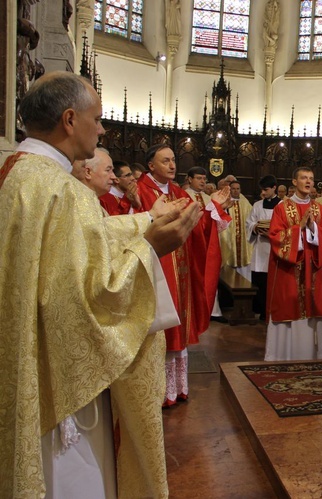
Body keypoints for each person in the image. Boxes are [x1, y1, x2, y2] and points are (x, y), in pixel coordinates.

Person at [0, 71, 200, 498]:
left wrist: (146, 221)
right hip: (64, 396)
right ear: (70, 120)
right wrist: (150, 249)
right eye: (98, 118)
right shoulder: (60, 189)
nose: (103, 128)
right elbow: (88, 298)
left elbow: (81, 247)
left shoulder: (20, 174)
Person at [136, 144, 231, 406]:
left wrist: (212, 208)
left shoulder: (179, 193)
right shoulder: (141, 191)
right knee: (159, 323)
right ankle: (156, 390)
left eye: (173, 159)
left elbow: (198, 226)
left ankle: (175, 389)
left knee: (178, 321)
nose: (171, 165)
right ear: (151, 166)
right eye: (165, 161)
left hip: (182, 269)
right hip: (158, 268)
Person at [266, 167, 322, 361]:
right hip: (288, 271)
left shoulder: (319, 209)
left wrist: (313, 227)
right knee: (287, 304)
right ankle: (281, 356)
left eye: (311, 179)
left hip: (312, 269)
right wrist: (298, 230)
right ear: (294, 182)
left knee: (311, 306)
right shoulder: (281, 208)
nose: (308, 182)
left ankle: (311, 356)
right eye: (304, 178)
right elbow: (275, 237)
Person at [184, 167, 226, 322]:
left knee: (208, 277)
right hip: (191, 245)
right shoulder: (183, 196)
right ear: (189, 179)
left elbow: (217, 225)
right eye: (199, 178)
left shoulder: (208, 198)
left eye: (204, 179)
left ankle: (211, 310)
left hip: (208, 246)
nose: (202, 181)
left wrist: (222, 209)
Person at [246, 175, 281, 321]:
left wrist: (272, 234)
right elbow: (250, 222)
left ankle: (273, 310)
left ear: (274, 188)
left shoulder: (283, 206)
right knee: (260, 280)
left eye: (266, 190)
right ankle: (260, 310)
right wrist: (256, 228)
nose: (263, 193)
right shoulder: (257, 205)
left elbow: (288, 227)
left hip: (276, 249)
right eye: (262, 190)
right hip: (260, 249)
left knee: (274, 282)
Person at [220, 180, 254, 280]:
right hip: (230, 238)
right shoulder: (225, 202)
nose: (236, 191)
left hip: (243, 240)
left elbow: (251, 219)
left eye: (238, 189)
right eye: (233, 189)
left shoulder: (245, 202)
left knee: (244, 272)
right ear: (230, 190)